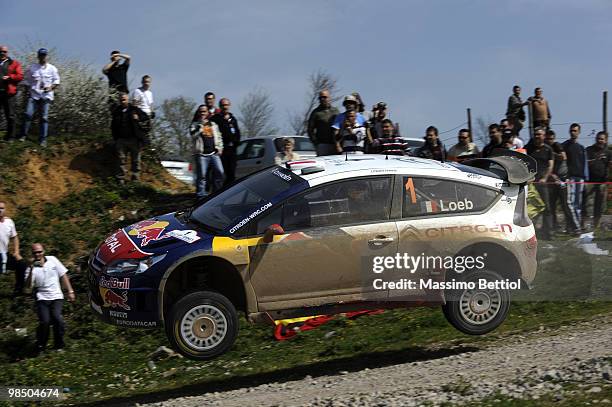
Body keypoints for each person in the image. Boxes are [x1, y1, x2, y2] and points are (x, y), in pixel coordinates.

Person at [24, 243, 75, 353]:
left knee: (57, 318)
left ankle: (59, 345)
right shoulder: (30, 267)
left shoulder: (52, 260)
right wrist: (31, 270)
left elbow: (63, 274)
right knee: (45, 322)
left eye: (40, 251)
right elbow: (28, 286)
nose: (38, 254)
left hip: (56, 296)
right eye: (35, 252)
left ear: (43, 251)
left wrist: (70, 291)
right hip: (42, 298)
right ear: (32, 253)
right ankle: (41, 345)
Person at [20, 48, 60, 147]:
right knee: (28, 114)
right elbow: (26, 80)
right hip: (34, 95)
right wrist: (25, 91)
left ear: (47, 56)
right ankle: (23, 135)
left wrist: (50, 88)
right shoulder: (32, 68)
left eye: (44, 55)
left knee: (44, 117)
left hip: (46, 96)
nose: (43, 57)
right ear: (38, 56)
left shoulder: (52, 68)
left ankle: (43, 140)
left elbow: (56, 81)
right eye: (41, 55)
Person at [111, 93, 149, 183]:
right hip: (121, 139)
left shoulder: (134, 109)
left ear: (128, 99)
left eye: (124, 99)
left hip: (134, 139)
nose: (122, 100)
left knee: (135, 160)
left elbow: (145, 117)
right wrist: (115, 138)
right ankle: (120, 180)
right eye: (121, 99)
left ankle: (135, 180)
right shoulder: (117, 111)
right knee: (120, 159)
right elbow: (113, 126)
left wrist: (138, 117)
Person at [527, 128, 554, 240]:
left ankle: (547, 233)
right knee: (531, 209)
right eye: (535, 134)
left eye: (539, 134)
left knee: (546, 208)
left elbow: (551, 165)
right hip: (530, 183)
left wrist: (545, 177)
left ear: (544, 136)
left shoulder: (548, 149)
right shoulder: (528, 148)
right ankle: (531, 233)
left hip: (542, 183)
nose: (537, 136)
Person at [190, 104, 224, 197]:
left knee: (220, 172)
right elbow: (193, 135)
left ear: (208, 113)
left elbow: (219, 137)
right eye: (201, 112)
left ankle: (217, 194)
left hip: (214, 153)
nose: (202, 113)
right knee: (202, 176)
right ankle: (201, 195)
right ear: (198, 113)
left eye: (204, 111)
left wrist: (220, 148)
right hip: (201, 154)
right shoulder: (194, 125)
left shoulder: (213, 125)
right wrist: (200, 127)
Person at [544, 130, 572, 234]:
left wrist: (552, 154)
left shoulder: (557, 145)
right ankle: (554, 226)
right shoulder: (545, 148)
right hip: (551, 180)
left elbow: (563, 157)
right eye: (548, 139)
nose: (549, 141)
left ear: (554, 138)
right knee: (551, 206)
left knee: (565, 205)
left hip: (562, 179)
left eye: (551, 139)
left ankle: (570, 227)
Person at [583, 131, 611, 230]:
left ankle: (596, 228)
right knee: (587, 205)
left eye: (602, 139)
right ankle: (585, 227)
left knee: (599, 206)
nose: (600, 140)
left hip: (602, 183)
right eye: (598, 138)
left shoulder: (608, 152)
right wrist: (596, 159)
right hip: (589, 182)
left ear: (605, 140)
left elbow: (609, 165)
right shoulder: (589, 150)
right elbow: (585, 163)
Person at [562, 123, 587, 234]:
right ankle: (574, 226)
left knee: (578, 204)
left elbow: (584, 163)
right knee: (570, 203)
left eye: (575, 130)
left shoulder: (581, 148)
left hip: (580, 178)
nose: (573, 132)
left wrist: (586, 178)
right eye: (571, 130)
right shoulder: (565, 145)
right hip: (570, 178)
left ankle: (574, 227)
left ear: (579, 132)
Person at [211, 98, 241, 185]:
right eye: (223, 105)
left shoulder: (233, 119)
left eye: (227, 105)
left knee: (231, 173)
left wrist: (236, 142)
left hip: (232, 150)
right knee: (220, 173)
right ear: (220, 106)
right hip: (221, 150)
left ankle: (228, 191)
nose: (225, 107)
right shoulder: (216, 119)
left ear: (229, 106)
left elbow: (237, 132)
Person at [0, 200, 27, 296]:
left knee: (21, 265)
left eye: (2, 208)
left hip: (4, 254)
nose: (0, 210)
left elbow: (15, 237)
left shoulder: (9, 222)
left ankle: (18, 291)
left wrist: (16, 252)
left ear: (5, 210)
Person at [0, 45, 23, 141]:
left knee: (10, 115)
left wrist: (10, 77)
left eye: (4, 52)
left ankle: (11, 136)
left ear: (7, 53)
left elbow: (20, 76)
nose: (2, 53)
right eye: (0, 51)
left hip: (9, 93)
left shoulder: (14, 63)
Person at [307, 89, 340, 156]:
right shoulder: (316, 112)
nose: (322, 99)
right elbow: (310, 130)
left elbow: (340, 126)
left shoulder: (336, 111)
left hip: (335, 144)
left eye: (324, 97)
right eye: (320, 98)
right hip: (322, 145)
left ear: (329, 98)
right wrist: (316, 143)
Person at [130, 75, 154, 145]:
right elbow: (134, 104)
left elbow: (151, 104)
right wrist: (135, 114)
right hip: (141, 114)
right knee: (140, 135)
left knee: (147, 134)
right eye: (145, 82)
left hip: (148, 116)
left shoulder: (150, 93)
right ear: (142, 82)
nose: (146, 83)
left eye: (148, 82)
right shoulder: (137, 91)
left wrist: (152, 112)